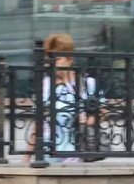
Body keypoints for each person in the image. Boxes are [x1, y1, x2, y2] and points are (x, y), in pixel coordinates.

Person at [26, 33, 101, 163]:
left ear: (70, 59)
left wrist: (87, 121)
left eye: (57, 58)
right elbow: (38, 125)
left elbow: (103, 112)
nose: (52, 62)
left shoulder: (86, 83)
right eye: (49, 58)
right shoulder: (45, 85)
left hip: (76, 154)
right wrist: (26, 157)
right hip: (47, 154)